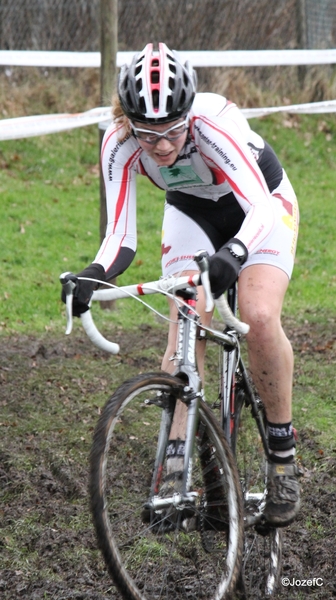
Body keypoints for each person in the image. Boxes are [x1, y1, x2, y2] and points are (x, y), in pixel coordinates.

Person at [62, 42, 300, 527]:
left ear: (188, 114)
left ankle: (282, 456)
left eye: (173, 131)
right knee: (181, 340)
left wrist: (234, 254)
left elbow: (260, 208)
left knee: (257, 315)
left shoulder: (213, 122)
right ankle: (173, 473)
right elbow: (120, 238)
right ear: (128, 121)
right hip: (191, 210)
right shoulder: (119, 142)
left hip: (260, 204)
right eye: (149, 135)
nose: (164, 146)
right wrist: (90, 276)